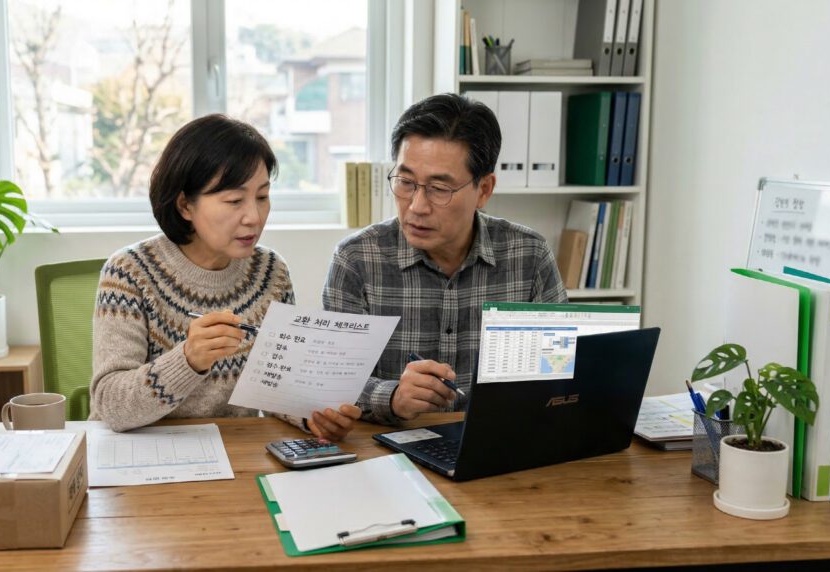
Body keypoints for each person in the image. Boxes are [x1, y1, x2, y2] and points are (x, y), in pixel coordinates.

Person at [91, 114, 360, 440]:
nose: (254, 217)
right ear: (185, 206)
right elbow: (110, 404)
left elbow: (275, 387)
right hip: (141, 454)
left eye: (262, 197)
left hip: (234, 451)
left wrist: (313, 417)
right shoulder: (129, 274)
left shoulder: (271, 274)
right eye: (234, 200)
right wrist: (187, 361)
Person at [323, 93, 567, 425]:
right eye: (406, 182)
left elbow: (560, 370)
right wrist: (392, 397)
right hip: (389, 450)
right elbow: (331, 381)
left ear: (484, 190)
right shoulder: (356, 259)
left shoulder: (529, 255)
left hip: (497, 443)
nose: (417, 206)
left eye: (439, 189)